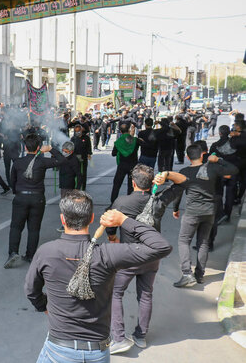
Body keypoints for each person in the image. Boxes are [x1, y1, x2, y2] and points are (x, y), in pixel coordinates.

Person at [24, 191, 172, 363]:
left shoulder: (46, 252)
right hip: (97, 352)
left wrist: (44, 306)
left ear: (63, 219)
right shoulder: (107, 254)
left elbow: (30, 290)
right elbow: (161, 247)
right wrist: (124, 220)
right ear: (92, 218)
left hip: (59, 349)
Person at [107, 164, 186, 354]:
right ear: (152, 183)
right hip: (152, 255)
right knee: (146, 295)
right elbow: (183, 182)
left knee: (115, 293)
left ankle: (118, 337)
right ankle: (140, 336)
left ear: (132, 183)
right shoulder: (158, 200)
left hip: (129, 256)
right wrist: (167, 175)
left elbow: (111, 228)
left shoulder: (122, 201)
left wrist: (113, 238)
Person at [171, 144, 238, 287]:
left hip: (192, 212)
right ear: (202, 155)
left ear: (188, 157)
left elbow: (177, 193)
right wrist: (218, 159)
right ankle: (199, 275)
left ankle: (187, 274)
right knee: (203, 243)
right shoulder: (212, 168)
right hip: (209, 212)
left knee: (184, 241)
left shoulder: (184, 171)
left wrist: (175, 208)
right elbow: (234, 169)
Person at [4, 134, 66, 269]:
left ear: (25, 147)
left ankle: (13, 252)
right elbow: (61, 160)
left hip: (21, 197)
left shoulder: (18, 162)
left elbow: (12, 181)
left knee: (16, 227)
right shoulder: (42, 162)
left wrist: (17, 193)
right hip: (37, 198)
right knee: (34, 228)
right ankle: (30, 255)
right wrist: (50, 149)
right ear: (38, 148)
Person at [110, 124, 139, 203]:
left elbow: (113, 153)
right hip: (133, 165)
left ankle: (113, 202)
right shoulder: (135, 140)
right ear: (129, 130)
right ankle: (129, 202)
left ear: (120, 131)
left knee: (117, 184)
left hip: (122, 165)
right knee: (131, 185)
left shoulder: (118, 142)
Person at [71, 124, 92, 190]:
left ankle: (83, 187)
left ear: (81, 130)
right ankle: (75, 186)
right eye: (76, 131)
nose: (77, 132)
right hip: (75, 157)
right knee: (75, 172)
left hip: (83, 157)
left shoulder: (86, 138)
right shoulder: (73, 138)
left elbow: (89, 146)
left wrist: (89, 153)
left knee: (83, 173)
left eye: (78, 131)